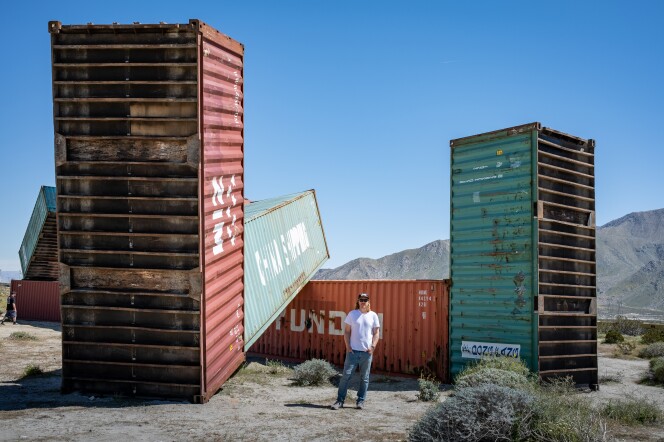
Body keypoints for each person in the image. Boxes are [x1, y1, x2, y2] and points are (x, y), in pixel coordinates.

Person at [330, 292, 380, 410]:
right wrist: (348, 346)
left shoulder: (373, 315)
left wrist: (373, 346)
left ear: (368, 302)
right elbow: (347, 331)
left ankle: (360, 401)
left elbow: (376, 333)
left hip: (366, 353)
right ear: (358, 301)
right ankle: (339, 401)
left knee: (365, 378)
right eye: (361, 300)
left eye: (365, 300)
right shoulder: (352, 314)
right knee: (345, 376)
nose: (363, 302)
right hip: (352, 352)